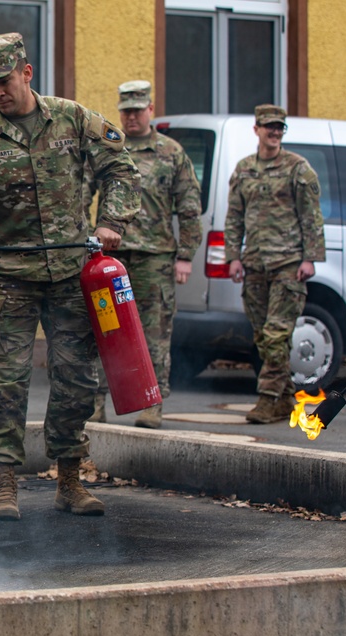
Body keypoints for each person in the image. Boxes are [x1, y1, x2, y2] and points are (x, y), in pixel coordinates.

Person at [0, 33, 140, 521]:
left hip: (70, 274)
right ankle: (4, 485)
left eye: (3, 80)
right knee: (5, 383)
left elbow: (121, 167)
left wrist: (112, 222)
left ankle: (69, 481)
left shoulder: (73, 118)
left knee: (75, 379)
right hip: (10, 279)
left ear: (27, 72)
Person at [91, 80, 202, 429]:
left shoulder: (171, 153)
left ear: (150, 110)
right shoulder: (107, 149)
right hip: (109, 257)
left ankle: (152, 403)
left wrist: (185, 255)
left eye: (138, 110)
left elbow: (189, 207)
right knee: (102, 329)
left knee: (154, 332)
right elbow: (80, 194)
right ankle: (96, 402)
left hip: (155, 258)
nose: (132, 117)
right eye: (126, 111)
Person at [225, 104, 325, 424]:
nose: (275, 132)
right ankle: (284, 399)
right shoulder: (243, 170)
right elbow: (234, 218)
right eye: (269, 127)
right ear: (257, 129)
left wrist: (310, 258)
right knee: (261, 335)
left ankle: (267, 399)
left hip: (287, 264)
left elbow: (312, 217)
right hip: (255, 263)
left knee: (276, 334)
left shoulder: (299, 169)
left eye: (280, 127)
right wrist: (233, 257)